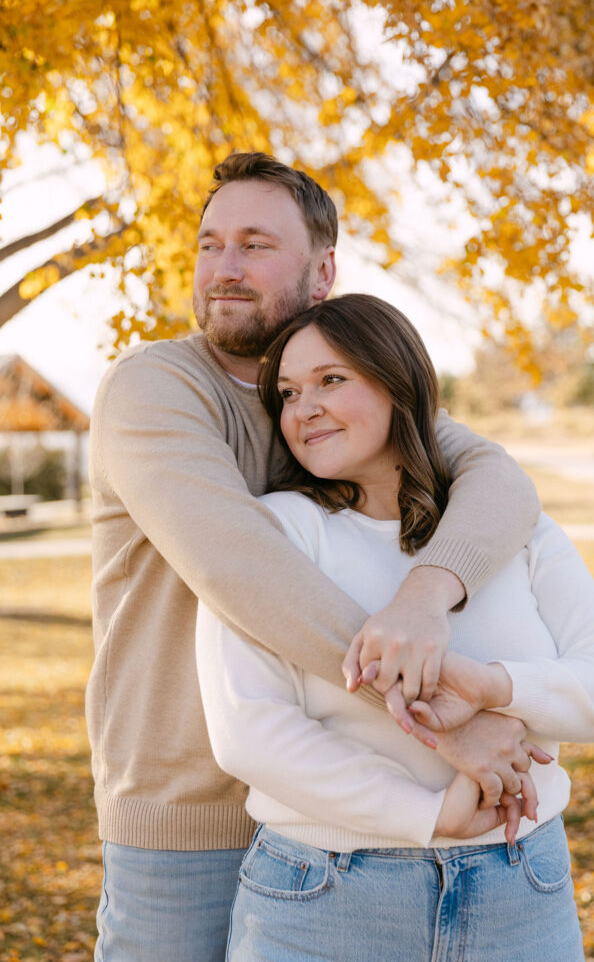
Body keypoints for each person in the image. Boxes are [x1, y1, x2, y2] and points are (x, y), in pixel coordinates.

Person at [86, 153, 541, 962]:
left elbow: (498, 481)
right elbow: (241, 570)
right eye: (209, 243)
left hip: (334, 816)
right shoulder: (154, 388)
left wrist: (425, 596)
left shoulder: (339, 395)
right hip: (186, 819)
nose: (224, 268)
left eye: (255, 244)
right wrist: (444, 721)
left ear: (323, 269)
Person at [196, 293, 594, 962]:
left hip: (521, 890)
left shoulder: (506, 526)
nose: (302, 408)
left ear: (397, 381)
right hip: (325, 900)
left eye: (331, 380)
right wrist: (425, 817)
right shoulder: (277, 532)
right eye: (287, 393)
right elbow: (248, 730)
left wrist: (490, 687)